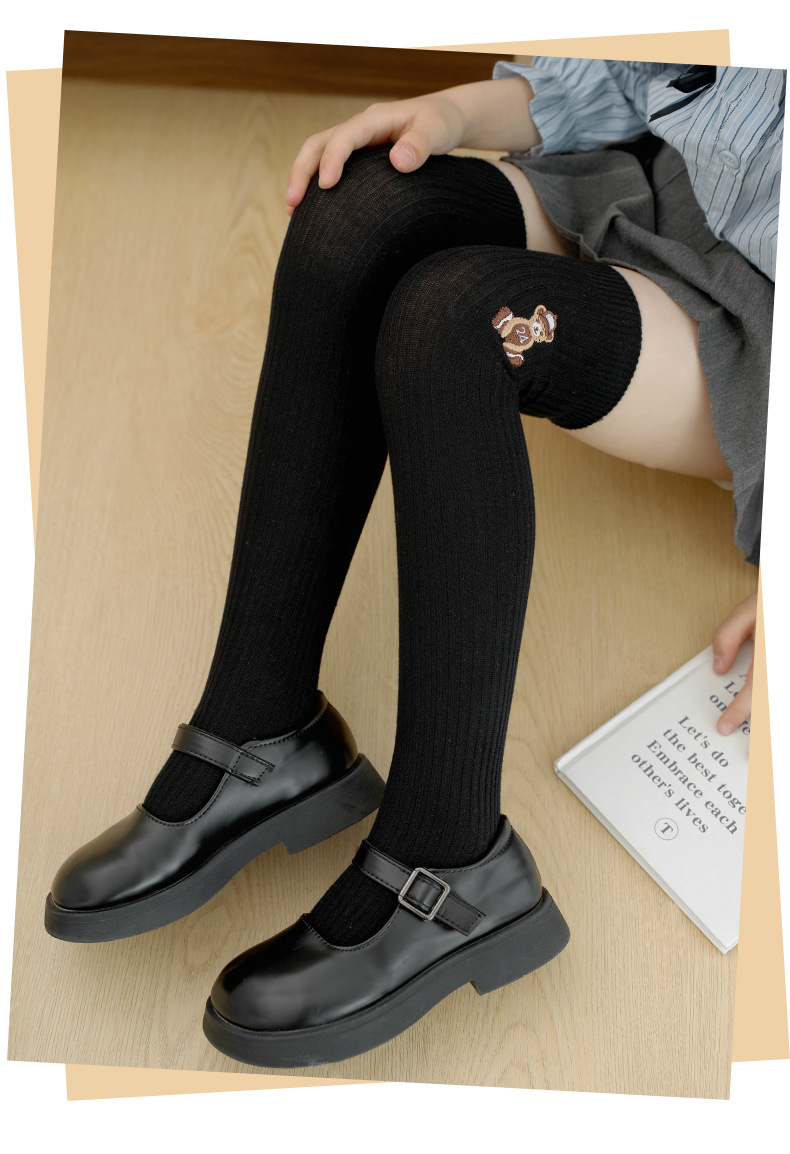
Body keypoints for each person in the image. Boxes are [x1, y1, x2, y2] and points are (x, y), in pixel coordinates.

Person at [45, 57, 781, 1068]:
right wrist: (450, 111)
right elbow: (623, 77)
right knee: (357, 208)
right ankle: (262, 727)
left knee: (456, 323)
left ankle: (452, 854)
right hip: (651, 187)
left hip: (758, 322)